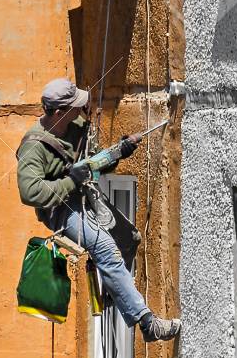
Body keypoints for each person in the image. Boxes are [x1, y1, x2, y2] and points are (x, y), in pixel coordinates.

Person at [16, 78, 181, 342]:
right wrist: (71, 181)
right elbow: (31, 193)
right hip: (60, 210)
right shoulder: (34, 147)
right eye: (74, 106)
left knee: (129, 239)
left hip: (84, 196)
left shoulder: (75, 126)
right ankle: (146, 323)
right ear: (59, 112)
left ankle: (117, 293)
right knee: (105, 248)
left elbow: (92, 164)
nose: (80, 109)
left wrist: (118, 152)